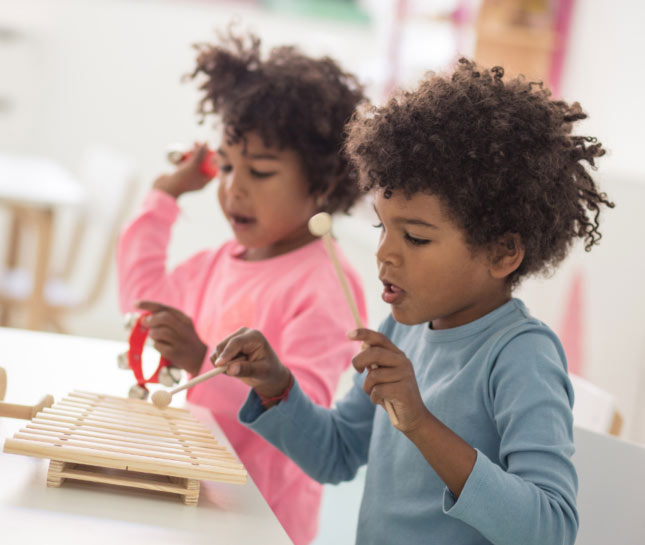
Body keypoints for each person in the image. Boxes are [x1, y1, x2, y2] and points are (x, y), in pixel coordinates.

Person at [210, 59, 615, 545]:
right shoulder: (404, 329)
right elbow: (336, 454)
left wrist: (419, 422)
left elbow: (549, 529)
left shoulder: (521, 357)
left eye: (417, 238)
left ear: (503, 252)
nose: (385, 253)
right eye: (384, 227)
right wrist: (276, 387)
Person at [117, 29, 367, 545]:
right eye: (228, 165)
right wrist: (165, 195)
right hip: (197, 501)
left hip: (263, 523)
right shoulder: (219, 263)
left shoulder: (323, 285)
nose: (234, 187)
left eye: (260, 170)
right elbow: (141, 312)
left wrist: (199, 359)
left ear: (320, 183)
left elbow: (304, 415)